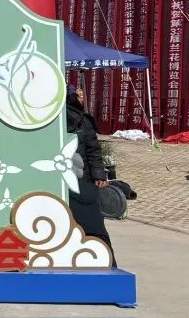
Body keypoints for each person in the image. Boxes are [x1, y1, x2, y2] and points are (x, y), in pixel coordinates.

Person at [66, 85, 116, 265]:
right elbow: (94, 150)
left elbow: (93, 150)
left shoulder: (83, 121)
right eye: (78, 96)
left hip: (82, 179)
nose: (81, 98)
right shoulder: (52, 121)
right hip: (74, 179)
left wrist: (99, 175)